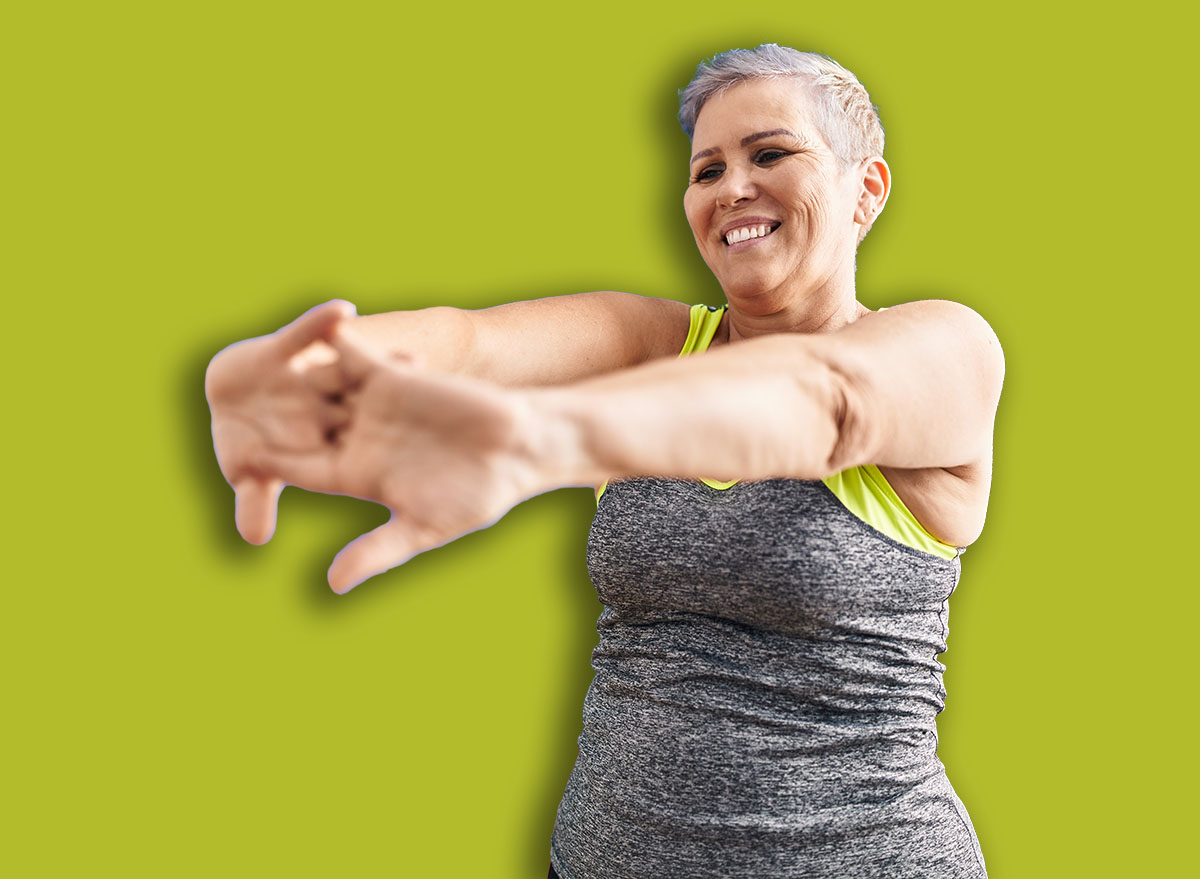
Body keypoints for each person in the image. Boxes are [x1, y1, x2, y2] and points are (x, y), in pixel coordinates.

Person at [207, 44, 1002, 879]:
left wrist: (537, 440)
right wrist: (302, 373)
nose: (733, 187)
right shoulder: (650, 345)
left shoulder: (944, 350)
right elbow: (470, 344)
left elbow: (825, 399)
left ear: (864, 190)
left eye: (771, 153)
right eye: (707, 170)